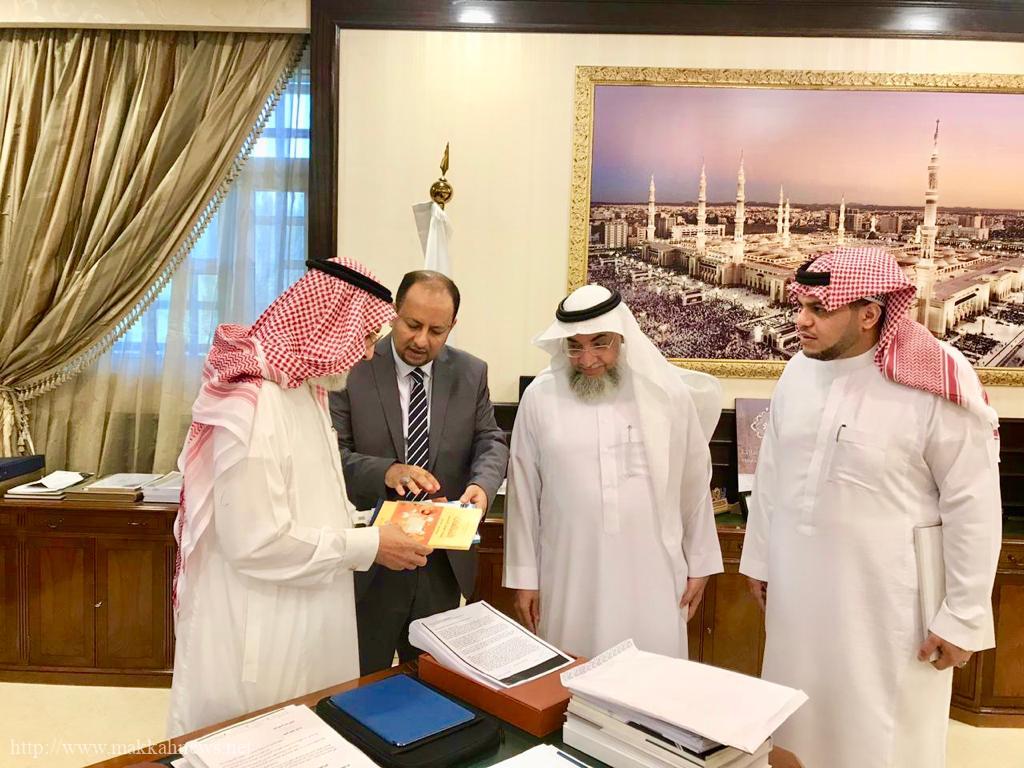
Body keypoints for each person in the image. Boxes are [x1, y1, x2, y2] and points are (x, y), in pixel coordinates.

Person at [740, 247, 1002, 768]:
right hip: (797, 597)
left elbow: (973, 505)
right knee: (795, 725)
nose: (801, 320)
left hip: (888, 610)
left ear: (869, 314)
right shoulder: (797, 372)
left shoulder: (936, 378)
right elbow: (773, 474)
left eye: (819, 309)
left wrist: (964, 617)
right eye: (801, 305)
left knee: (881, 738)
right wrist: (761, 560)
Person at [167, 257, 431, 736]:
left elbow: (315, 502)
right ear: (329, 327)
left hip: (308, 614)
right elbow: (256, 542)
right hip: (261, 630)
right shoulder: (255, 405)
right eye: (364, 337)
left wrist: (374, 525)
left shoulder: (305, 393)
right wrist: (370, 544)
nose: (368, 354)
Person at [503, 284, 723, 659]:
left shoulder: (664, 393)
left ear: (621, 336)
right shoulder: (541, 397)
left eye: (599, 343)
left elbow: (693, 482)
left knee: (652, 676)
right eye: (575, 346)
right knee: (571, 674)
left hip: (653, 572)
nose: (587, 359)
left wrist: (700, 562)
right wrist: (525, 577)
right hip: (570, 572)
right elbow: (523, 493)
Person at [331, 270, 508, 674]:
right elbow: (330, 455)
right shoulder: (352, 368)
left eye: (436, 331)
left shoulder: (470, 372)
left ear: (452, 326)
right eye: (412, 325)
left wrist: (482, 486)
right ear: (393, 313)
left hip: (440, 560)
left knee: (433, 679)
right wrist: (387, 472)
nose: (421, 340)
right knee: (362, 680)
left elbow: (490, 440)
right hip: (370, 557)